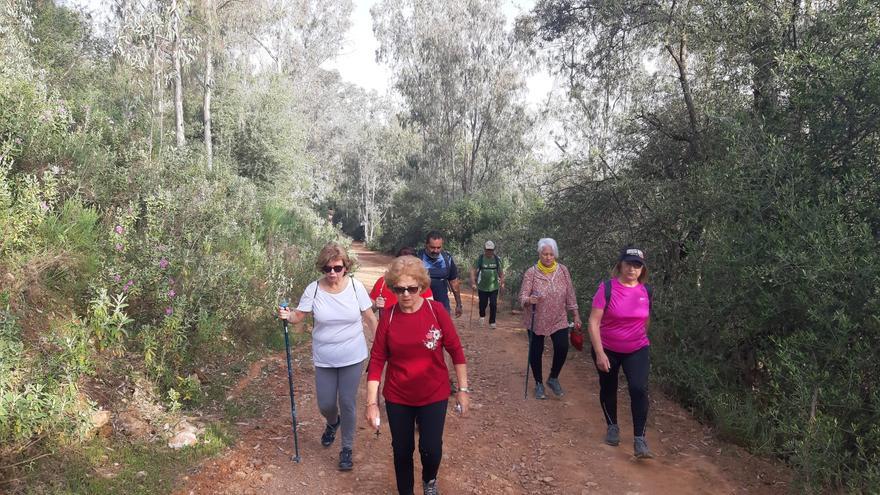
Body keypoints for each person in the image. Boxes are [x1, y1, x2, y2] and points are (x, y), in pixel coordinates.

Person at [365, 256, 469, 495]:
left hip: (434, 393)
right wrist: (372, 403)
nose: (406, 294)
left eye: (412, 288)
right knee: (402, 450)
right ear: (393, 288)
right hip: (398, 395)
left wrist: (463, 390)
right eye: (399, 289)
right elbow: (378, 360)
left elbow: (456, 351)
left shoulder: (436, 311)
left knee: (431, 449)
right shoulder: (388, 317)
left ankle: (429, 480)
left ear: (422, 287)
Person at [278, 242, 377, 471]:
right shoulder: (313, 289)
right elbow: (299, 316)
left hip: (353, 354)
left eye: (337, 267)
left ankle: (347, 449)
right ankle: (333, 423)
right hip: (324, 356)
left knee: (347, 401)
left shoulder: (355, 287)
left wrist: (382, 345)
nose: (332, 272)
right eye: (327, 268)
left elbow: (370, 318)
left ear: (346, 267)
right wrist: (287, 315)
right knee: (325, 404)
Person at [587, 247, 654, 459]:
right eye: (628, 264)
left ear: (642, 269)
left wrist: (639, 337)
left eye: (637, 265)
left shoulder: (647, 291)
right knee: (609, 386)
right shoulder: (607, 288)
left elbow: (646, 320)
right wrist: (599, 353)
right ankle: (612, 426)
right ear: (620, 265)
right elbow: (593, 321)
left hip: (637, 348)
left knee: (638, 388)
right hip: (607, 348)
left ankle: (639, 440)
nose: (632, 269)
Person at [518, 238, 582, 400]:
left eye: (551, 254)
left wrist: (575, 314)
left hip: (558, 318)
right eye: (545, 254)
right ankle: (539, 384)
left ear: (555, 255)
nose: (548, 257)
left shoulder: (563, 271)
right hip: (536, 319)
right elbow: (522, 296)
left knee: (562, 347)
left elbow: (570, 293)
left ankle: (553, 378)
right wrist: (528, 300)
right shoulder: (531, 272)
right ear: (539, 254)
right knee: (536, 351)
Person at [370, 247, 434, 313]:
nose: (405, 267)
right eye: (401, 264)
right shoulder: (383, 282)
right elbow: (369, 310)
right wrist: (375, 305)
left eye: (412, 289)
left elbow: (430, 309)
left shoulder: (420, 283)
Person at [416, 231, 463, 318]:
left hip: (442, 305)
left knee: (443, 329)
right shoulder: (417, 258)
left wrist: (459, 304)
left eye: (438, 247)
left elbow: (454, 282)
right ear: (426, 245)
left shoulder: (447, 258)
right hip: (420, 305)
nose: (436, 251)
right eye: (432, 247)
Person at [469, 240, 504, 329]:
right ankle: (482, 316)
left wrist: (502, 283)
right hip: (482, 287)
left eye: (491, 250)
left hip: (494, 287)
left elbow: (501, 273)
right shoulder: (480, 259)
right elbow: (473, 271)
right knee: (482, 304)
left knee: (493, 304)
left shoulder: (497, 260)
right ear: (484, 249)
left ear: (493, 250)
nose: (489, 251)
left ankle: (492, 322)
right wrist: (473, 283)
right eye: (488, 250)